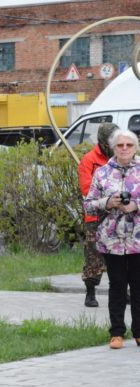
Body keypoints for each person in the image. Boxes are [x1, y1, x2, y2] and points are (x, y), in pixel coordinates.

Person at [84, 128, 140, 350]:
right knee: (117, 285)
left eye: (129, 145)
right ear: (113, 148)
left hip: (137, 240)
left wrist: (135, 205)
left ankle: (139, 332)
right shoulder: (102, 173)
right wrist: (107, 202)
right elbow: (88, 204)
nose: (124, 149)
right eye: (120, 145)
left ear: (135, 147)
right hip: (111, 240)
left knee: (138, 286)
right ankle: (116, 333)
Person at [77, 122, 118, 307]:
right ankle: (90, 293)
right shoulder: (89, 160)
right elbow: (87, 189)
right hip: (96, 217)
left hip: (120, 216)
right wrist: (108, 198)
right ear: (102, 141)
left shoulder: (121, 159)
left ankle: (121, 291)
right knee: (93, 255)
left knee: (121, 256)